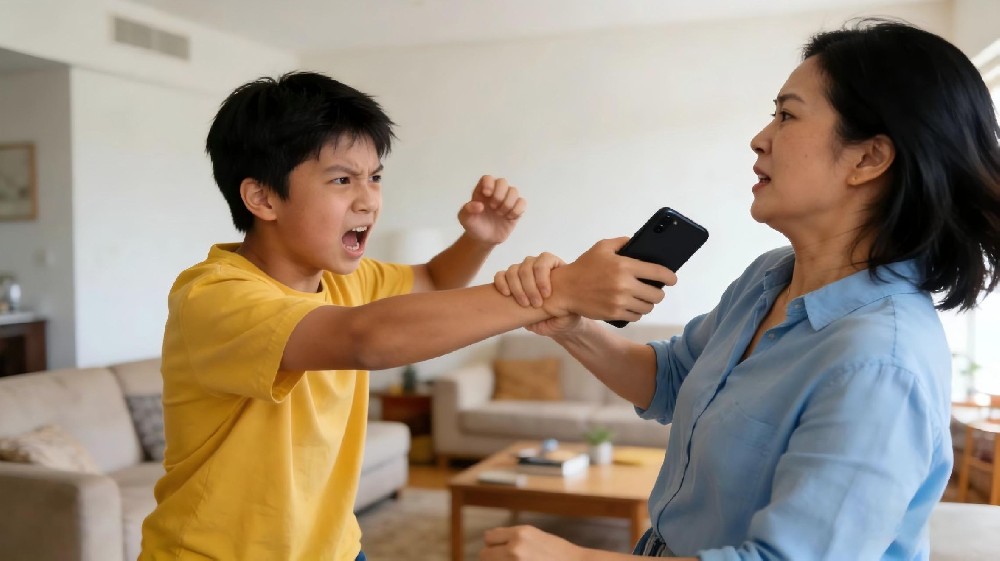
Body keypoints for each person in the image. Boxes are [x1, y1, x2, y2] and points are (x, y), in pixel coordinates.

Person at [483, 19, 1000, 561]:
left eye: (787, 115)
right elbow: (671, 380)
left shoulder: (879, 364)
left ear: (868, 159)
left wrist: (573, 557)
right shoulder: (769, 276)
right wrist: (573, 325)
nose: (760, 138)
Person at [137, 71, 678, 561]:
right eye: (342, 180)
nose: (370, 201)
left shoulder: (349, 278)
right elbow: (364, 339)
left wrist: (477, 240)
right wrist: (559, 291)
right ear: (261, 197)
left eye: (374, 177)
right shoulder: (213, 296)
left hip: (335, 549)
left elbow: (436, 283)